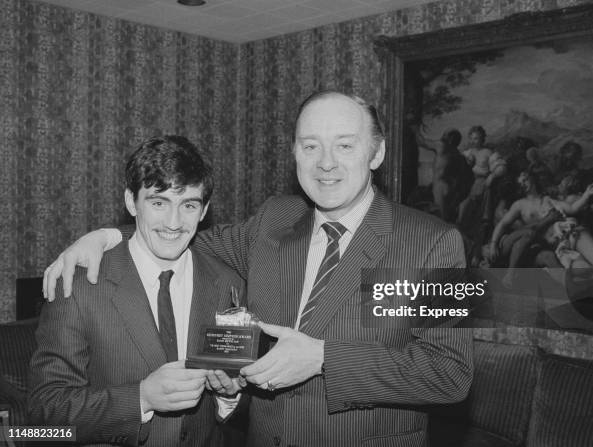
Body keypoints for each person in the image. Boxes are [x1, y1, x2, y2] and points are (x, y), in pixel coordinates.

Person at [44, 92, 473, 447]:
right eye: (310, 146)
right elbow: (180, 236)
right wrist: (107, 236)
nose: (326, 163)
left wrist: (325, 358)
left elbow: (451, 374)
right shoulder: (273, 220)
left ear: (376, 152)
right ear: (295, 154)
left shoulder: (435, 241)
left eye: (345, 145)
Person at [29, 136, 245, 447]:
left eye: (188, 205)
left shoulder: (227, 284)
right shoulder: (78, 287)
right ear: (132, 201)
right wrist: (140, 398)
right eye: (159, 202)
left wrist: (230, 396)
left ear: (204, 210)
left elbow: (241, 406)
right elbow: (43, 415)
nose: (173, 222)